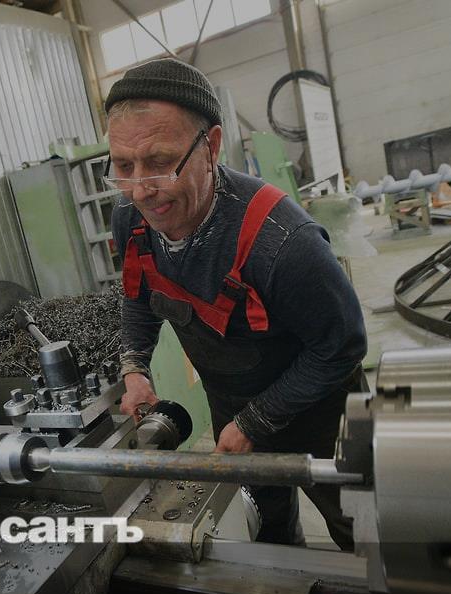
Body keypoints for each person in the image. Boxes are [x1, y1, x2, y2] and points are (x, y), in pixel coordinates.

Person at [105, 59, 366, 549]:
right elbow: (139, 294)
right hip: (230, 403)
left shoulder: (283, 242)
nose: (141, 190)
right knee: (263, 527)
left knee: (362, 530)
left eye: (160, 162)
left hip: (321, 413)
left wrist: (256, 421)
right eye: (123, 167)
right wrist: (134, 368)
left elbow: (342, 346)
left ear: (211, 146)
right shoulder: (133, 221)